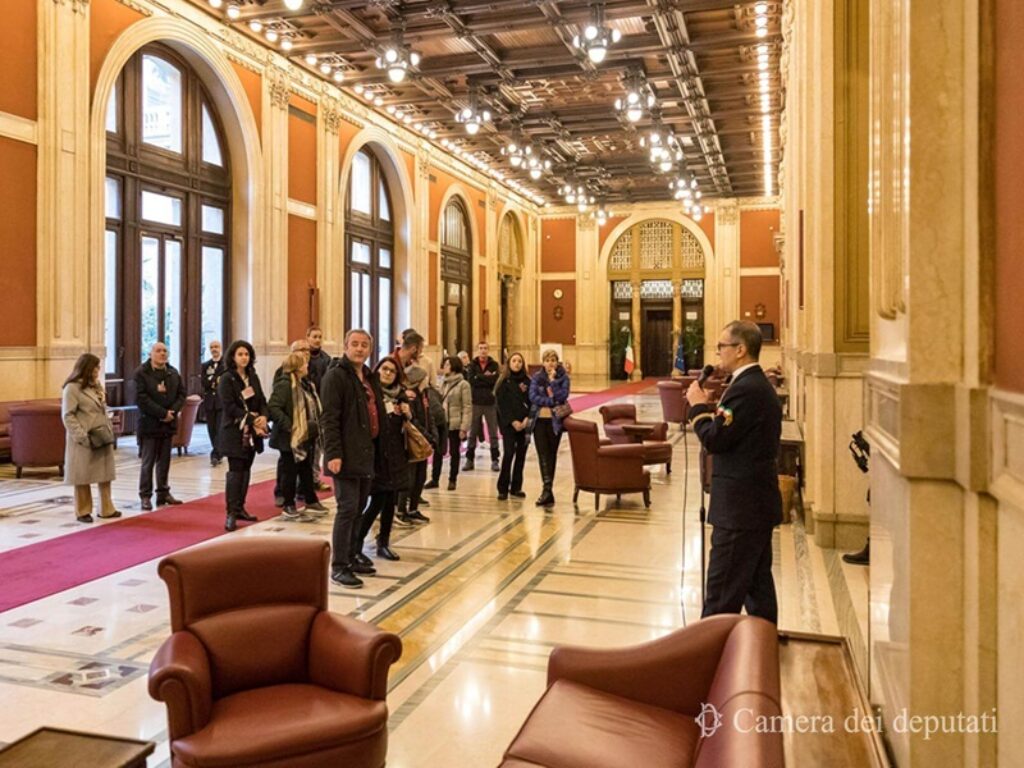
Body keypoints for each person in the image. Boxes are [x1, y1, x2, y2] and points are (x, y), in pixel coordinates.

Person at [686, 320, 783, 624]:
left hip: (740, 511)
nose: (718, 354)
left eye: (722, 347)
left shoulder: (747, 389)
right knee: (758, 589)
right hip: (752, 506)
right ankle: (762, 651)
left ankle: (705, 662)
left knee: (721, 594)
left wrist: (697, 408)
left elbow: (715, 439)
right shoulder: (750, 385)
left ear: (740, 350)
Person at [321, 329, 383, 589]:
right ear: (345, 346)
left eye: (364, 345)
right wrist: (333, 453)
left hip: (365, 452)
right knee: (347, 509)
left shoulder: (367, 377)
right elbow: (330, 419)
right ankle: (339, 566)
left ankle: (353, 555)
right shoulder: (336, 376)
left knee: (359, 507)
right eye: (354, 344)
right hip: (345, 455)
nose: (359, 349)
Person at [356, 357, 412, 562]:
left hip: (396, 454)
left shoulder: (401, 396)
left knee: (390, 501)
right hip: (377, 454)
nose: (388, 373)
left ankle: (384, 542)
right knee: (378, 500)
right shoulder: (371, 393)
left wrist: (407, 413)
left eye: (392, 371)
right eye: (384, 369)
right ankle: (357, 542)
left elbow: (408, 427)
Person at [61, 354, 121, 523]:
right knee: (82, 476)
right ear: (86, 368)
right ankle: (83, 510)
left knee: (104, 474)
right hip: (84, 438)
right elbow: (68, 415)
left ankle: (106, 508)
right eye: (95, 367)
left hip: (102, 434)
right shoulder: (72, 388)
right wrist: (81, 436)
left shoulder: (96, 386)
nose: (98, 370)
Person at [268, 352, 327, 522]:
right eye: (304, 364)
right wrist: (290, 425)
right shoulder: (285, 385)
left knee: (306, 469)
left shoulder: (305, 384)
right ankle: (288, 504)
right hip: (289, 438)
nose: (307, 366)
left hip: (305, 435)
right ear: (297, 367)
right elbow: (273, 407)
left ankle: (310, 500)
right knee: (290, 472)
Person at [218, 340, 270, 532]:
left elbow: (262, 400)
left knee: (246, 468)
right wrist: (251, 419)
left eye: (247, 354)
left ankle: (241, 507)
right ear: (233, 356)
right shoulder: (227, 378)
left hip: (252, 433)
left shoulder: (252, 376)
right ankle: (231, 512)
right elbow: (229, 406)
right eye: (240, 354)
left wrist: (264, 416)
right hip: (234, 431)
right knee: (235, 471)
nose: (244, 358)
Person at [134, 342, 186, 511]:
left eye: (165, 351)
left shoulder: (172, 372)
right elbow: (141, 399)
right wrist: (162, 413)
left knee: (164, 461)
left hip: (168, 424)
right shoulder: (141, 373)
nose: (162, 354)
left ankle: (163, 492)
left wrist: (172, 411)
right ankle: (145, 495)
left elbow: (181, 394)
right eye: (158, 351)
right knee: (148, 462)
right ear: (150, 354)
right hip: (150, 424)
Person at [529, 349, 571, 509]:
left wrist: (553, 382)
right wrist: (551, 400)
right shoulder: (537, 377)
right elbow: (533, 397)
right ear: (543, 362)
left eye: (553, 360)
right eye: (547, 360)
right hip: (539, 421)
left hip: (555, 422)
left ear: (557, 362)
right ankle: (547, 489)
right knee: (542, 454)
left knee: (551, 454)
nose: (550, 363)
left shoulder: (563, 378)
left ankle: (548, 489)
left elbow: (563, 396)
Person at [273, 339, 311, 507]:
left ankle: (307, 495)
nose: (305, 352)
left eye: (307, 350)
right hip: (288, 432)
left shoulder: (306, 378)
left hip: (303, 430)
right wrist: (290, 424)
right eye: (301, 350)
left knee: (304, 465)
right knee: (287, 466)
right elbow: (275, 406)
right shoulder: (283, 377)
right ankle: (284, 496)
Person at [396, 364, 433, 525]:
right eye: (424, 377)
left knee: (420, 477)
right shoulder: (409, 396)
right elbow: (413, 420)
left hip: (421, 439)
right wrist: (426, 435)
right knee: (409, 479)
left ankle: (413, 508)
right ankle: (401, 510)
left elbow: (427, 415)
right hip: (412, 440)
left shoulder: (422, 394)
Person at [494, 352, 531, 501]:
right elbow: (502, 405)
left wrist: (527, 418)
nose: (517, 364)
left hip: (525, 424)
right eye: (514, 361)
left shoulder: (528, 381)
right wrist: (513, 421)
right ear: (509, 363)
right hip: (509, 425)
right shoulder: (503, 382)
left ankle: (516, 487)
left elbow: (532, 401)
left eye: (519, 361)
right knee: (509, 453)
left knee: (521, 455)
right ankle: (502, 487)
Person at [465, 341, 501, 472]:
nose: (483, 351)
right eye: (481, 348)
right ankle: (469, 459)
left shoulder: (494, 365)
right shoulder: (472, 365)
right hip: (475, 402)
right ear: (477, 350)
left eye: (485, 348)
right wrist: (484, 377)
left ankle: (495, 459)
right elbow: (471, 381)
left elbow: (495, 380)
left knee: (493, 432)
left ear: (488, 350)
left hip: (490, 403)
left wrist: (479, 378)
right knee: (472, 432)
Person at [438, 356, 472, 491]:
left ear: (454, 366)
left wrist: (464, 427)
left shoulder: (464, 384)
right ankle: (435, 478)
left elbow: (467, 407)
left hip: (455, 423)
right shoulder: (442, 383)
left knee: (454, 452)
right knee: (438, 451)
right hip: (442, 422)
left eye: (447, 364)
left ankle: (452, 479)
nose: (445, 366)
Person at [305, 325, 332, 492]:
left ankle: (314, 477)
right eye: (314, 336)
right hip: (305, 407)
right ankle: (303, 481)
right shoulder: (302, 358)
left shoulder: (326, 359)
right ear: (307, 337)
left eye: (319, 337)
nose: (317, 340)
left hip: (321, 406)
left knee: (318, 446)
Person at [201, 340, 226, 466]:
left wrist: (213, 381)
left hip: (221, 402)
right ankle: (218, 451)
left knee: (219, 428)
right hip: (210, 402)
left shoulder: (226, 364)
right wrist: (214, 382)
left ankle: (216, 454)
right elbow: (205, 383)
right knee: (211, 429)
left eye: (216, 346)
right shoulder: (206, 365)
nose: (214, 349)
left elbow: (223, 383)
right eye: (211, 347)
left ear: (221, 348)